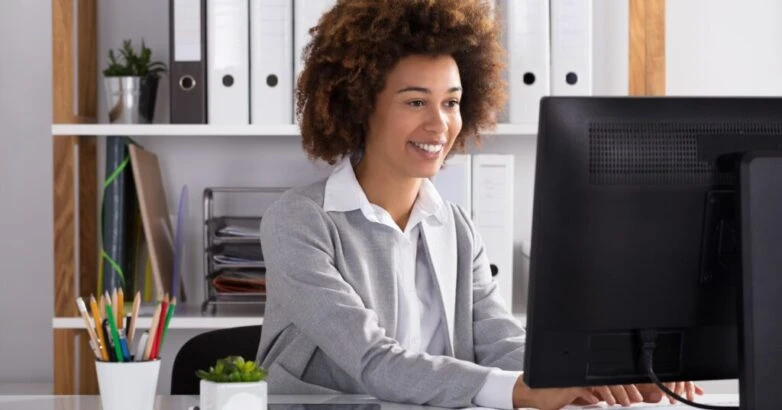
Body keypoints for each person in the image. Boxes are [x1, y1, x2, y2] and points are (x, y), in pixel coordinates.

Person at [256, 1, 702, 409]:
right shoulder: (298, 222)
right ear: (359, 106)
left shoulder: (453, 224)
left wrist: (600, 376)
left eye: (451, 102)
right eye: (415, 101)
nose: (439, 124)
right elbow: (371, 359)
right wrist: (520, 391)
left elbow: (500, 341)